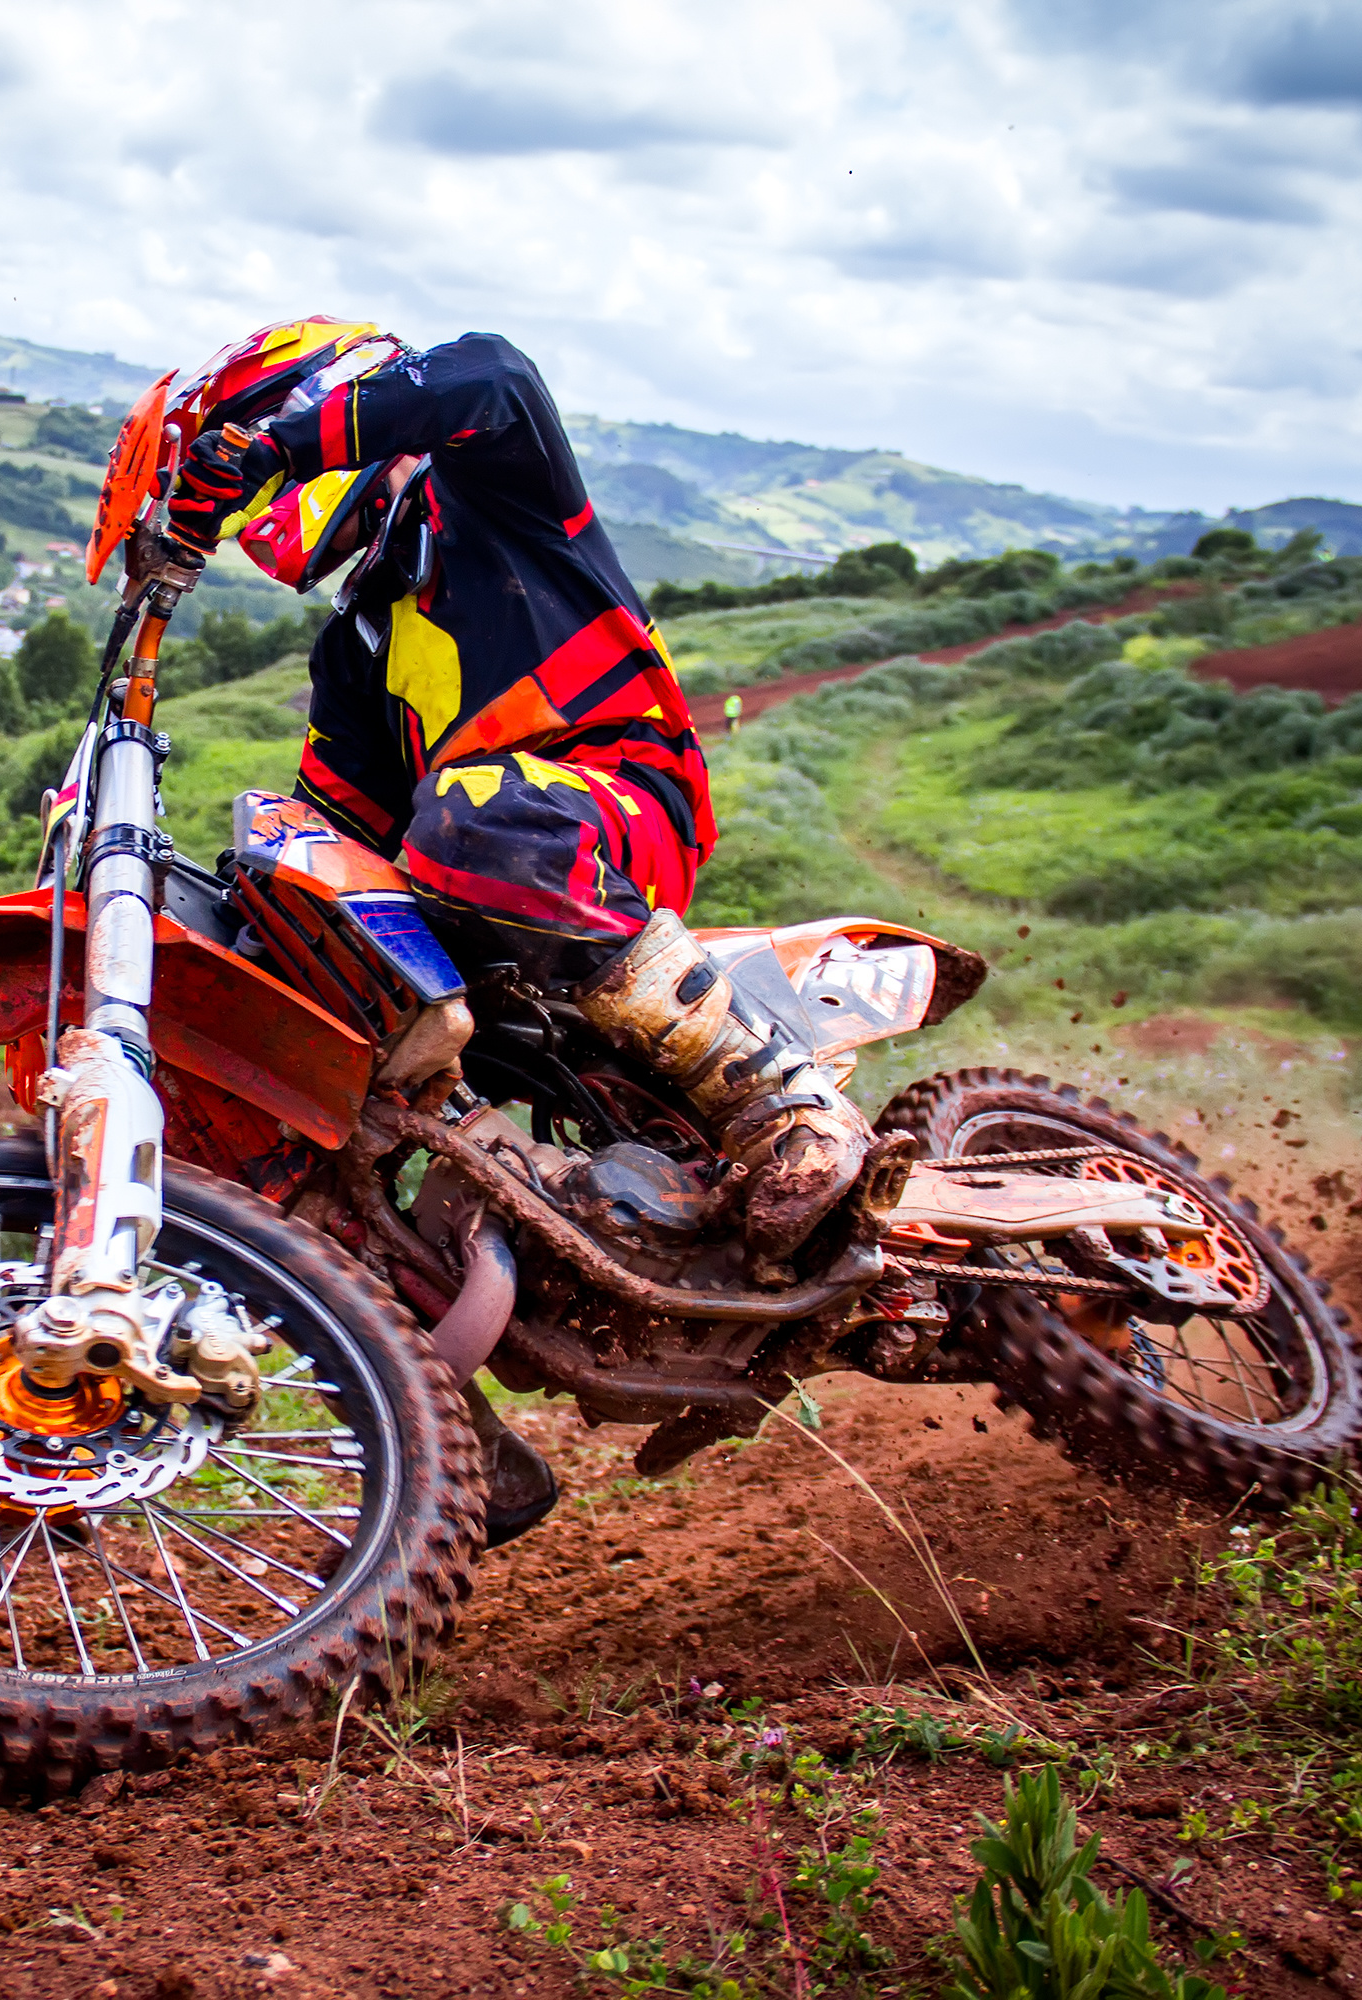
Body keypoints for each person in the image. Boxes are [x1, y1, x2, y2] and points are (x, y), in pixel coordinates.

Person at [162, 322, 885, 1531]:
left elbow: (491, 370)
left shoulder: (487, 490)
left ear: (326, 407)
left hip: (612, 812)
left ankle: (791, 1108)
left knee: (470, 815)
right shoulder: (358, 642)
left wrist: (279, 443)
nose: (253, 505)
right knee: (285, 1077)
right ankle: (451, 1435)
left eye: (253, 462)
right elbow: (342, 828)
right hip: (484, 892)